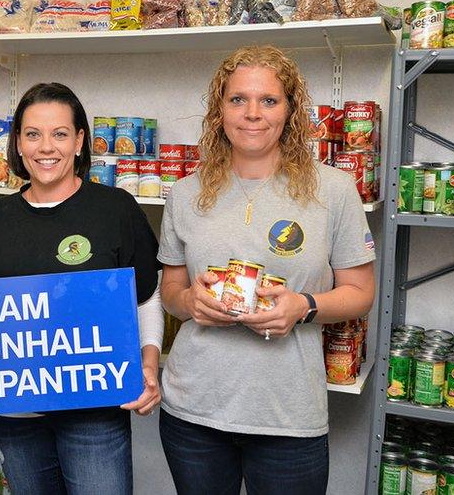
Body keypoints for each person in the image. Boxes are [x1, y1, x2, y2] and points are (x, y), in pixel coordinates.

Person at [157, 45, 376, 495]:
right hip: (193, 411)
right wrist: (190, 302)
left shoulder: (333, 190)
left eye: (269, 101)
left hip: (288, 415)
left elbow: (360, 291)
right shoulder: (184, 193)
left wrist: (304, 306)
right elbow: (171, 290)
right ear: (220, 110)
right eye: (238, 99)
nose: (252, 113)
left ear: (291, 111)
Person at [0, 82, 163, 494]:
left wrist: (148, 363)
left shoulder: (116, 209)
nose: (45, 147)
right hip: (16, 414)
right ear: (17, 143)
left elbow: (146, 298)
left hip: (95, 413)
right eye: (32, 134)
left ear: (79, 141)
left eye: (59, 134)